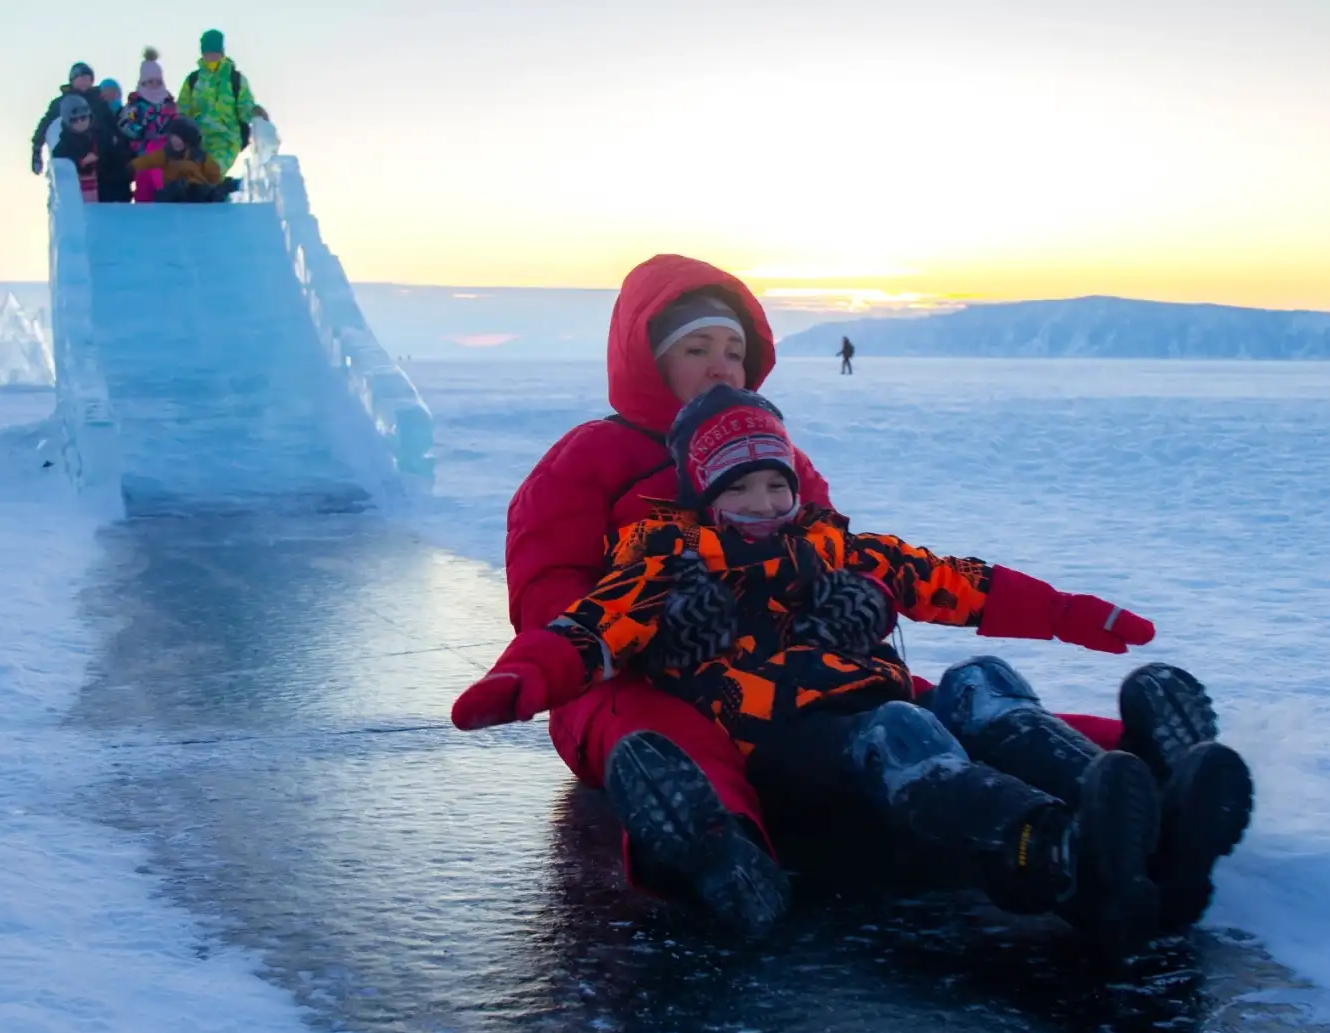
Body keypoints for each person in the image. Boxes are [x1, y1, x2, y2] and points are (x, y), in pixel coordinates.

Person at [493, 254, 1251, 942]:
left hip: (793, 667)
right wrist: (650, 632)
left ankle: (1135, 778)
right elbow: (551, 599)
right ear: (648, 360)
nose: (721, 367)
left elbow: (844, 551)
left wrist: (860, 600)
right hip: (632, 672)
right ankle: (721, 848)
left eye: (733, 351)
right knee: (666, 727)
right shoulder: (586, 461)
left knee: (934, 703)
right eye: (696, 350)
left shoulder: (773, 448)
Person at [177, 29, 257, 176]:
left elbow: (245, 107)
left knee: (212, 172)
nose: (211, 56)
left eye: (214, 51)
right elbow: (182, 110)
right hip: (199, 140)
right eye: (207, 52)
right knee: (191, 175)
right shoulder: (193, 80)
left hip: (226, 140)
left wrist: (255, 112)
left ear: (222, 52)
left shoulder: (235, 79)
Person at [32, 63, 120, 178]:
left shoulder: (100, 102)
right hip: (74, 148)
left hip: (101, 151)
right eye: (80, 77)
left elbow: (113, 125)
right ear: (72, 81)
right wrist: (37, 148)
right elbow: (46, 124)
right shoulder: (62, 103)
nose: (83, 80)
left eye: (86, 77)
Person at [118, 48, 180, 204]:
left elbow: (178, 123)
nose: (154, 85)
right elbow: (126, 124)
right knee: (145, 179)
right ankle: (144, 212)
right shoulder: (136, 104)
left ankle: (165, 196)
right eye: (150, 82)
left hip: (167, 151)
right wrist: (141, 129)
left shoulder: (169, 103)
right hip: (142, 150)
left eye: (157, 82)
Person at [130, 119, 232, 203]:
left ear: (189, 142)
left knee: (202, 190)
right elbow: (148, 160)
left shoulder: (199, 157)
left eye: (180, 140)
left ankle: (219, 192)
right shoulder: (166, 154)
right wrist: (131, 167)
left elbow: (213, 173)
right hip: (173, 191)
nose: (175, 142)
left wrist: (215, 186)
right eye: (173, 138)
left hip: (196, 191)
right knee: (163, 194)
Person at [51, 96, 109, 203]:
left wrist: (99, 156)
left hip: (104, 191)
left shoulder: (100, 136)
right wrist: (81, 162)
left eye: (83, 118)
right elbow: (60, 167)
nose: (80, 122)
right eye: (74, 120)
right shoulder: (64, 143)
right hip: (79, 195)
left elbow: (112, 154)